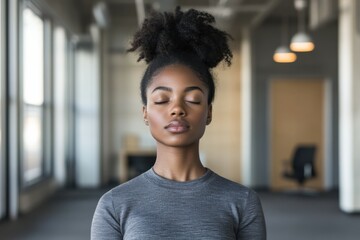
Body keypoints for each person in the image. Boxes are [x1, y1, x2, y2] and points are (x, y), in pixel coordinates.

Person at [91, 7, 266, 240]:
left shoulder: (242, 202)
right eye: (162, 100)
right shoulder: (114, 205)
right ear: (145, 113)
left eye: (193, 99)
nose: (177, 109)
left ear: (209, 112)